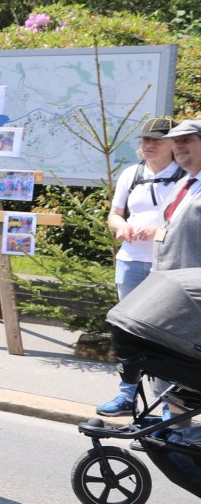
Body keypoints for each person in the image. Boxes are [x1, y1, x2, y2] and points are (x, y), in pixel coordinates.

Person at [96, 116, 181, 415]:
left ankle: (171, 406)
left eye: (156, 140)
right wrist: (121, 227)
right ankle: (126, 395)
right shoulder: (131, 174)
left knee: (166, 336)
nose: (148, 144)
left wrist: (158, 232)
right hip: (130, 261)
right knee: (127, 332)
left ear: (173, 144)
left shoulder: (186, 177)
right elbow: (115, 214)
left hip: (167, 265)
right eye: (145, 139)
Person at [153, 118, 201, 272]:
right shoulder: (182, 184)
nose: (178, 146)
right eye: (174, 141)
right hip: (166, 278)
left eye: (186, 140)